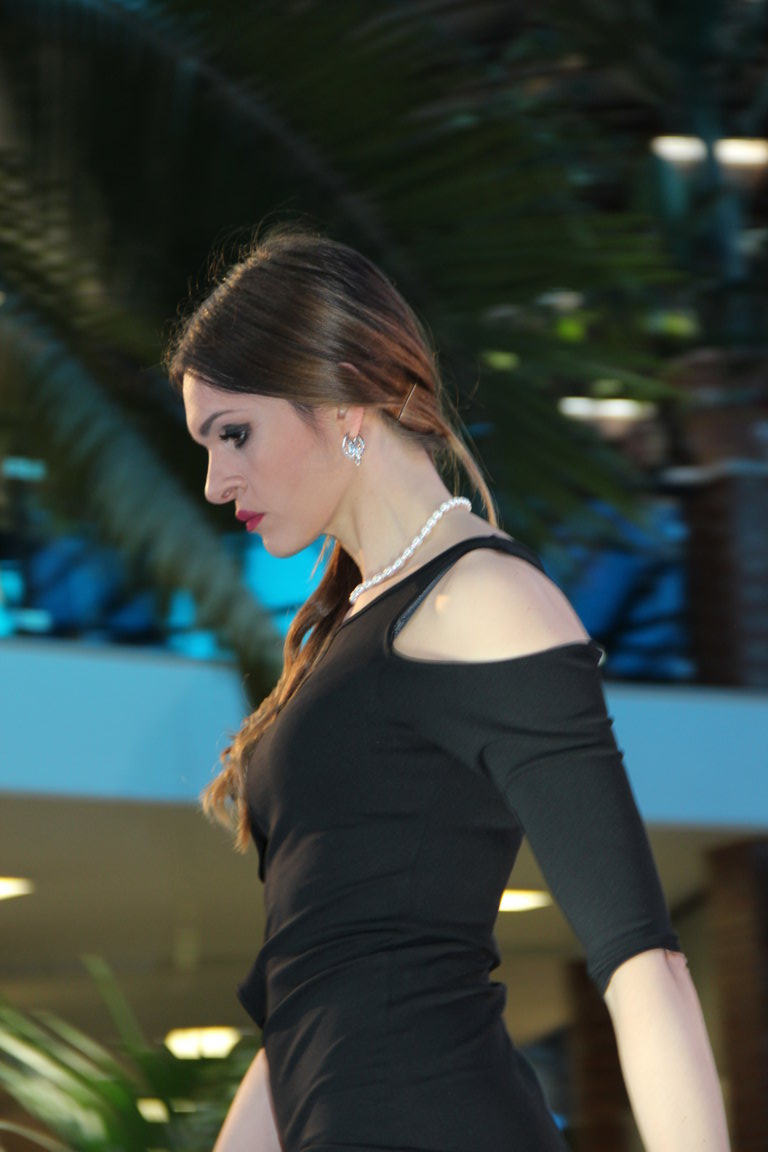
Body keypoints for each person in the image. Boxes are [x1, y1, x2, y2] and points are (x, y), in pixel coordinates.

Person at [167, 227, 730, 1152]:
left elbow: (642, 960)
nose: (216, 480)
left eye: (235, 434)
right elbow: (307, 993)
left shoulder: (486, 599)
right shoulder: (349, 627)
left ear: (342, 402)